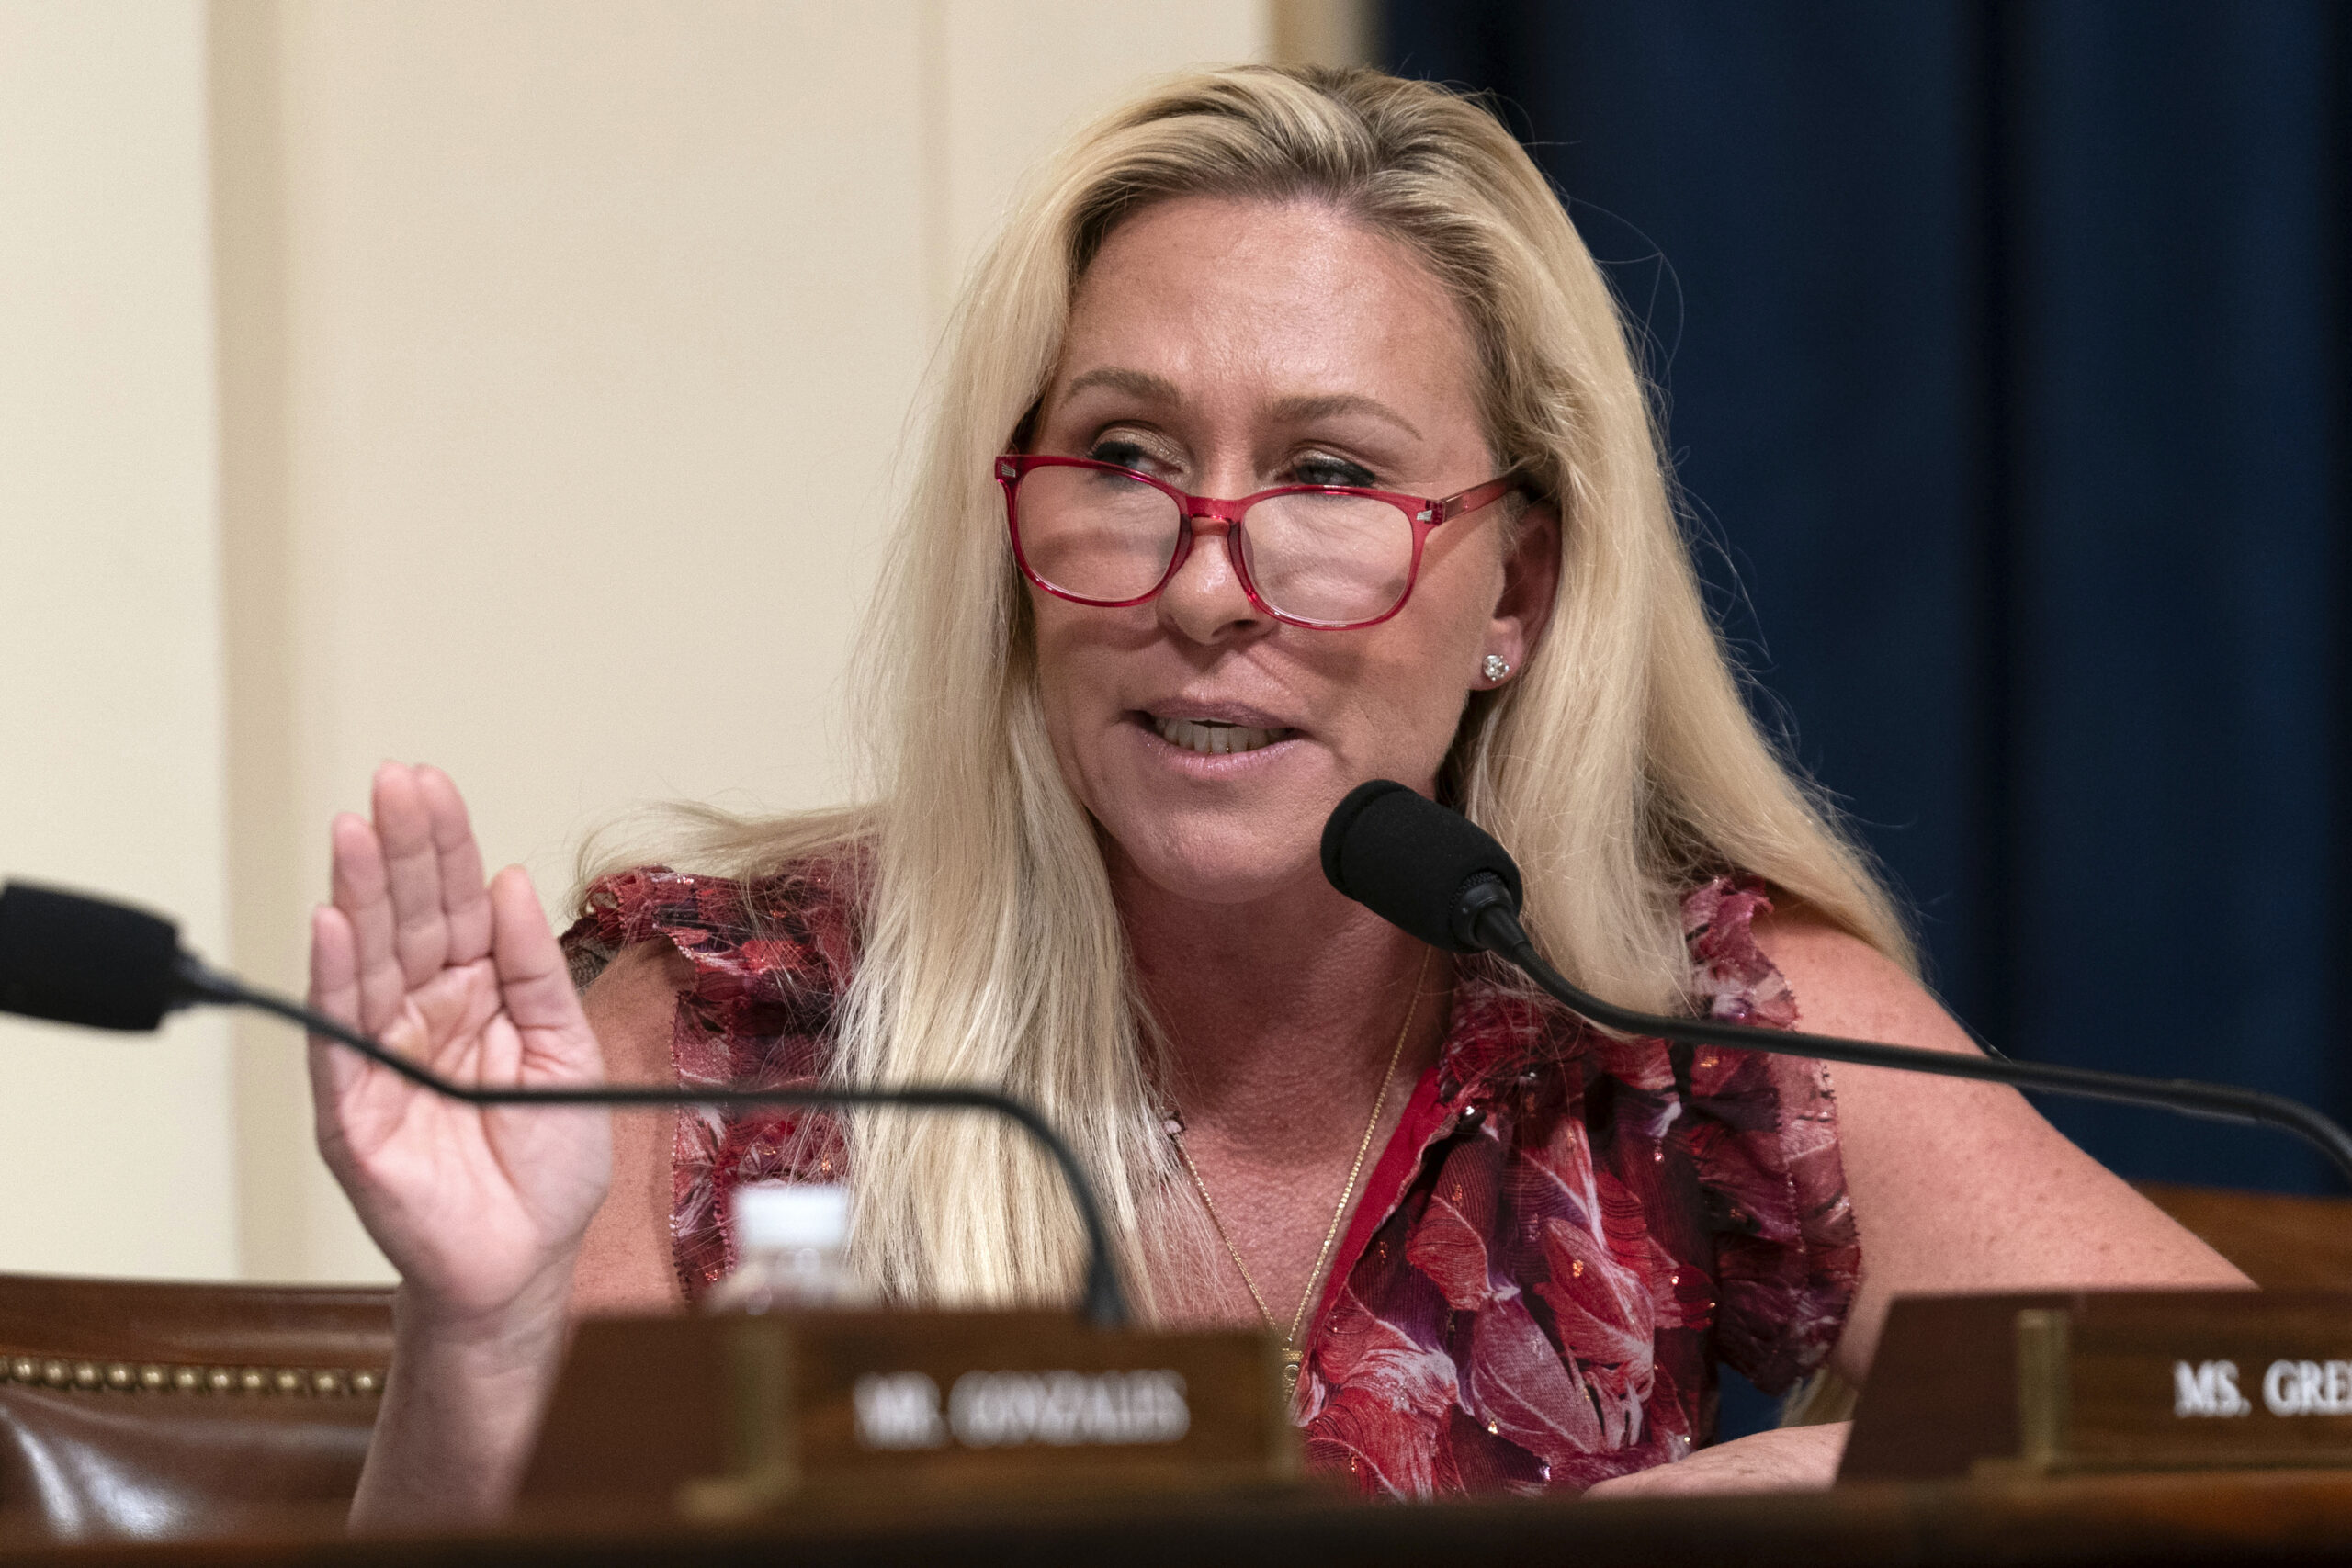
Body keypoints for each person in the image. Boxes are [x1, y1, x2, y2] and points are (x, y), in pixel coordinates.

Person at [305, 65, 2245, 1528]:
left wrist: (1834, 1490)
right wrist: (478, 1330)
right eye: (1126, 455)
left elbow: (2264, 1424)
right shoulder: (731, 1038)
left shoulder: (1681, 1034)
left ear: (1518, 592)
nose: (1204, 582)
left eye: (1329, 480)